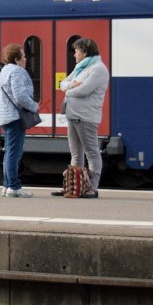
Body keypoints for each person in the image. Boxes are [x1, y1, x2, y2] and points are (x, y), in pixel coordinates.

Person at [54, 38, 110, 198]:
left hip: (86, 116)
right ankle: (74, 185)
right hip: (72, 114)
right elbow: (62, 83)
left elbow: (84, 90)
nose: (74, 55)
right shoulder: (81, 68)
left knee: (91, 152)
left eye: (76, 51)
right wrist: (71, 85)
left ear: (85, 52)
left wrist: (69, 90)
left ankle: (92, 187)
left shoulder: (98, 69)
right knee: (76, 153)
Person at [0, 43, 39, 198]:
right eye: (23, 56)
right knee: (14, 153)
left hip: (6, 116)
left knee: (9, 152)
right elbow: (20, 96)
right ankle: (13, 186)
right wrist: (34, 106)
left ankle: (7, 186)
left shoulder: (5, 71)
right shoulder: (17, 71)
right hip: (15, 116)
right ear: (16, 58)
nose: (26, 59)